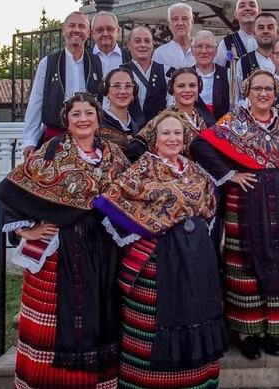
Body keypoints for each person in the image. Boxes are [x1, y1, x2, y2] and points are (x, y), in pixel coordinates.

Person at [0, 92, 129, 388]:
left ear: (97, 118)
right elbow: (13, 189)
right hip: (60, 253)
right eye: (76, 114)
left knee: (98, 313)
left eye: (88, 113)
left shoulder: (114, 156)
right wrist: (25, 231)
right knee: (56, 320)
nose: (83, 119)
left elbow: (129, 194)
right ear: (66, 120)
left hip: (102, 250)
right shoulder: (51, 152)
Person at [93, 110, 225, 389]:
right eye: (166, 133)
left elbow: (210, 205)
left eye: (178, 133)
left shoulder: (194, 170)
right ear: (154, 138)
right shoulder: (142, 169)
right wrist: (147, 231)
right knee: (155, 317)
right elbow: (113, 203)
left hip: (197, 259)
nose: (173, 138)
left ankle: (198, 379)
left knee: (197, 311)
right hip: (157, 259)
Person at [191, 69, 279, 360]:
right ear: (247, 92)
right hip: (246, 200)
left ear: (275, 93)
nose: (263, 94)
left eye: (268, 89)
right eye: (257, 89)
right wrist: (230, 174)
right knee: (244, 265)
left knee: (278, 262)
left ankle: (273, 330)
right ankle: (247, 334)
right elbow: (200, 144)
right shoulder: (234, 121)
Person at [21, 11, 103, 158]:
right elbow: (36, 101)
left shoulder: (97, 62)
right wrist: (30, 140)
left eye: (81, 26)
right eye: (72, 25)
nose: (76, 30)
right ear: (64, 29)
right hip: (55, 136)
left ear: (88, 32)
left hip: (89, 137)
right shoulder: (48, 63)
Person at [121, 26, 172, 129]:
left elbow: (171, 106)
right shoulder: (119, 73)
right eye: (137, 41)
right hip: (128, 131)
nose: (143, 45)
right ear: (128, 45)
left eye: (147, 41)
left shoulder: (167, 72)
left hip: (158, 131)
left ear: (152, 45)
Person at [98, 67, 142, 153]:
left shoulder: (137, 125)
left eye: (128, 86)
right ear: (106, 90)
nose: (123, 91)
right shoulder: (98, 124)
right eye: (116, 86)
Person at [235, 13, 279, 95]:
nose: (265, 31)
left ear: (278, 32)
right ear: (253, 33)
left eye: (270, 27)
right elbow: (238, 98)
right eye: (261, 28)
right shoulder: (243, 63)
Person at [192, 30, 230, 121]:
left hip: (221, 130)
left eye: (208, 46)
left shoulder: (228, 74)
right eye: (199, 46)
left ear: (216, 51)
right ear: (192, 50)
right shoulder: (185, 75)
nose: (204, 51)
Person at [215, 0, 261, 67]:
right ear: (235, 14)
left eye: (252, 5)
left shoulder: (273, 40)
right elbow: (219, 72)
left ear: (259, 12)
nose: (247, 8)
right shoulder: (226, 43)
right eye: (242, 6)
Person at [153, 3, 196, 70]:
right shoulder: (160, 54)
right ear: (169, 25)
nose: (180, 23)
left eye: (184, 19)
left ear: (192, 23)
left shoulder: (203, 51)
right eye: (175, 19)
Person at [91, 11, 131, 76]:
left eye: (110, 29)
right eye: (100, 30)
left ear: (118, 32)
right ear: (93, 33)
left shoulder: (129, 57)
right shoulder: (85, 57)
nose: (105, 34)